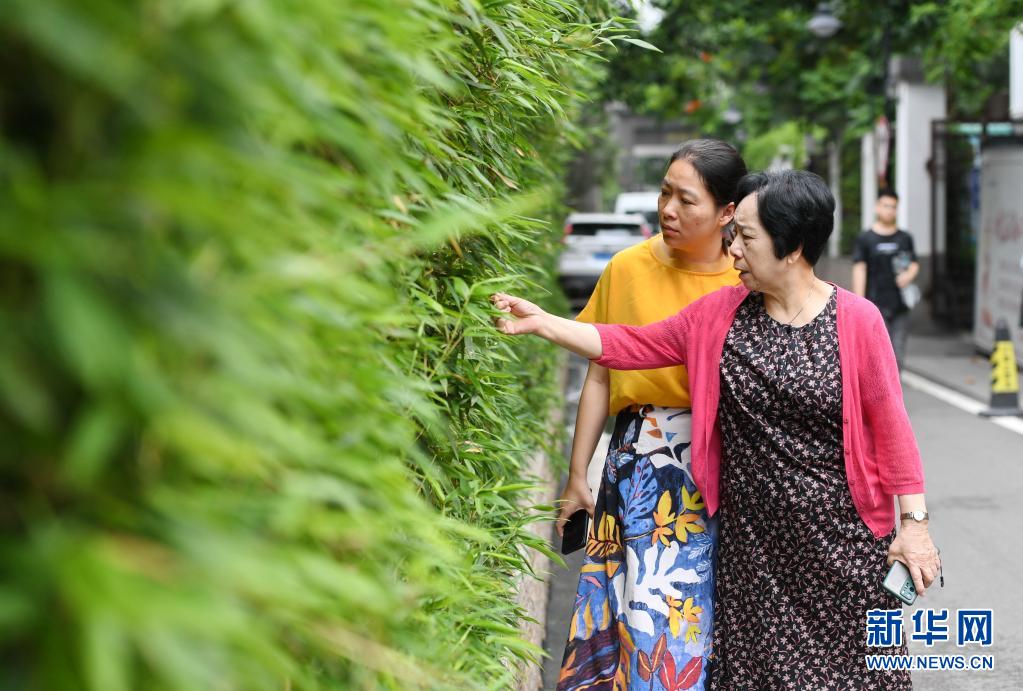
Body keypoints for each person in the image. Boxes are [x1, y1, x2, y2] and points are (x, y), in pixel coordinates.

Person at [494, 170, 939, 689]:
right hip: (753, 554)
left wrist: (914, 525)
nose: (733, 250)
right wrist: (545, 322)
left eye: (746, 236)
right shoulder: (717, 315)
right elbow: (629, 344)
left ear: (792, 246)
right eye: (733, 235)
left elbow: (892, 430)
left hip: (841, 544)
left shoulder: (859, 320)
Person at [556, 140, 747, 691]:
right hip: (638, 463)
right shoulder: (627, 268)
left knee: (716, 621)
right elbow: (599, 375)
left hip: (725, 465)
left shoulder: (747, 280)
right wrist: (577, 475)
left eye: (686, 200)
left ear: (727, 212)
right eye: (665, 193)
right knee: (638, 618)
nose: (668, 209)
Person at [852, 189, 920, 370]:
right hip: (875, 305)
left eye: (893, 207)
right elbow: (860, 269)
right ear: (877, 207)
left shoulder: (905, 238)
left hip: (900, 305)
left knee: (898, 355)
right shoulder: (865, 238)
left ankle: (895, 387)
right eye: (885, 206)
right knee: (879, 354)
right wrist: (859, 303)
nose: (889, 210)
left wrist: (909, 275)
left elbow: (914, 263)